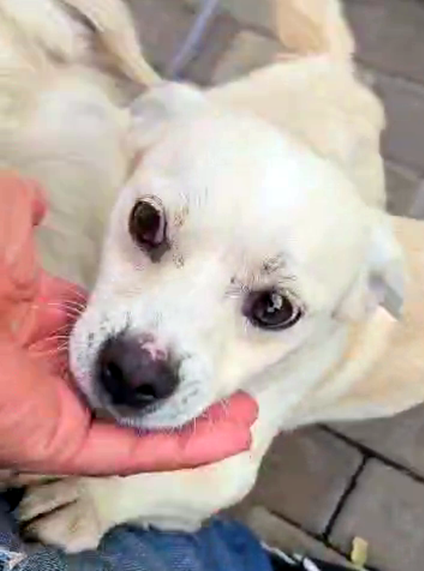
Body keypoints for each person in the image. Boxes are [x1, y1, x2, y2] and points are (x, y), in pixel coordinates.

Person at [0, 171, 352, 571]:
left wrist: (108, 499)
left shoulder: (348, 291)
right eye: (150, 226)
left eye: (271, 306)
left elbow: (229, 477)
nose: (140, 365)